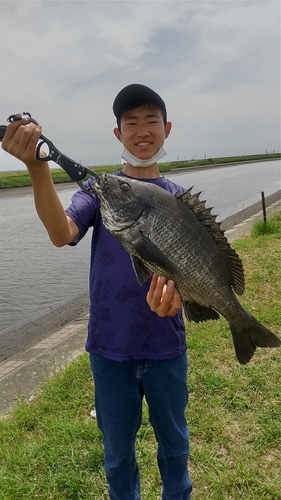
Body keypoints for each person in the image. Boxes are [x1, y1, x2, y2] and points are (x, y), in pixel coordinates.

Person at [2, 83, 192, 499]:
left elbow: (191, 276)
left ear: (167, 128)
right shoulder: (101, 191)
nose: (142, 131)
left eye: (151, 121)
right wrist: (38, 169)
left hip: (166, 348)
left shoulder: (181, 201)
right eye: (131, 123)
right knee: (117, 454)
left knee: (175, 447)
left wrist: (183, 297)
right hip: (109, 350)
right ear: (117, 134)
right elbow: (60, 232)